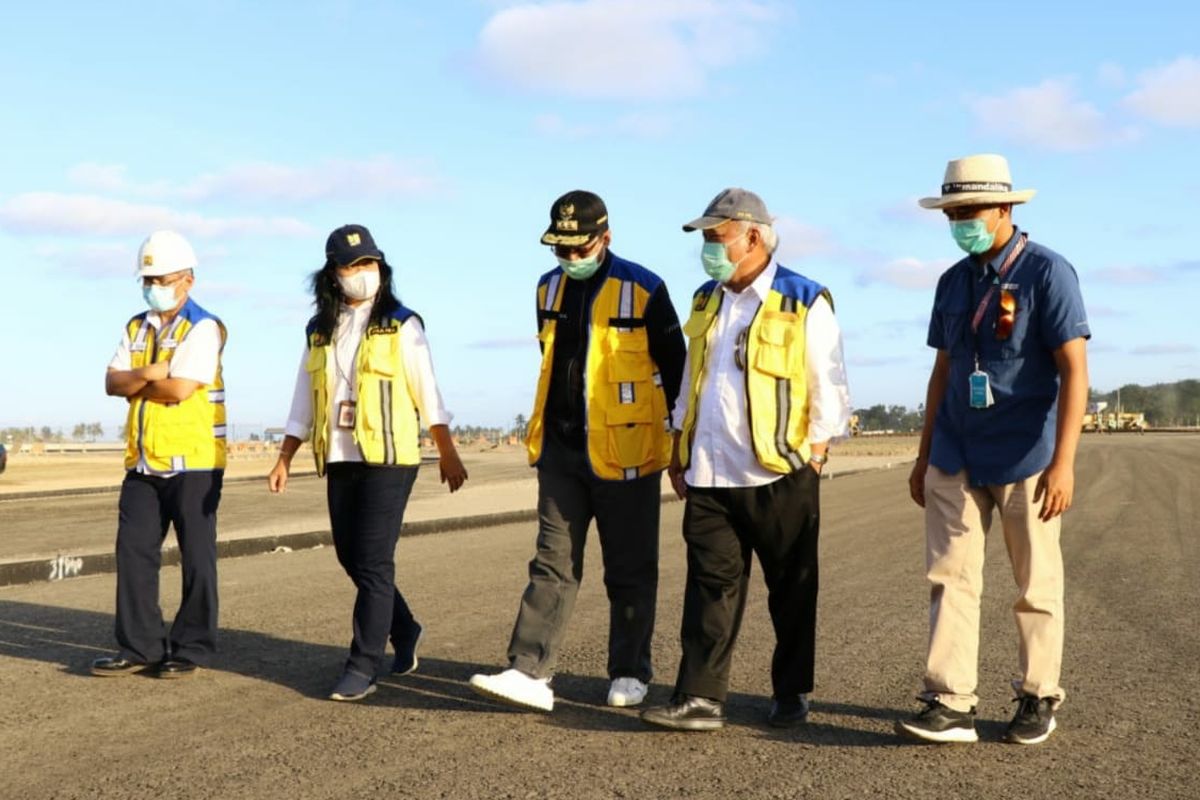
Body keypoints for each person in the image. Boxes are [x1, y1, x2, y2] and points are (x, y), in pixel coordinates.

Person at [896, 154, 1089, 745]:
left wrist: (1064, 462)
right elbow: (942, 370)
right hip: (956, 451)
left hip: (1026, 455)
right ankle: (951, 701)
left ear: (1005, 208)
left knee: (1035, 583)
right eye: (952, 212)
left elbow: (1075, 370)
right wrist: (925, 454)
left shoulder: (1047, 273)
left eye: (970, 210)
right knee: (950, 577)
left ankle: (1037, 696)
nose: (960, 221)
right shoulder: (952, 281)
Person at [640, 188, 851, 732]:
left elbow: (828, 385)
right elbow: (693, 379)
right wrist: (678, 447)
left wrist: (816, 454)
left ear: (752, 236)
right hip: (710, 473)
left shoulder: (804, 298)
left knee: (792, 591)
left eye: (716, 237)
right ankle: (701, 697)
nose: (708, 249)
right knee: (710, 589)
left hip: (779, 472)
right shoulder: (706, 300)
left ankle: (791, 693)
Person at [469, 190, 686, 712]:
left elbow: (678, 373)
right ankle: (529, 671)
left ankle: (631, 671)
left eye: (578, 248)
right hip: (562, 451)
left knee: (630, 569)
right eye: (559, 250)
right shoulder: (546, 289)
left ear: (604, 238)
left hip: (627, 453)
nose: (569, 259)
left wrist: (680, 448)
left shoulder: (645, 288)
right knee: (551, 563)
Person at [267, 223, 467, 702]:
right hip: (339, 457)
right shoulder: (319, 330)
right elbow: (303, 398)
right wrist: (284, 457)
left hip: (390, 458)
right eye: (351, 265)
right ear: (333, 274)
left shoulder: (401, 323)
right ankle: (406, 629)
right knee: (350, 556)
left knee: (375, 561)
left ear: (381, 268)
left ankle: (363, 665)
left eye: (368, 264)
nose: (361, 273)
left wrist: (447, 450)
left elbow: (427, 391)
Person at [92, 230, 227, 679]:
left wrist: (138, 381)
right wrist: (149, 372)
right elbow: (112, 382)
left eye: (161, 277)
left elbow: (180, 388)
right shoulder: (135, 326)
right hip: (144, 463)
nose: (153, 285)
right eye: (146, 277)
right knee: (133, 553)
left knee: (197, 560)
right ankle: (140, 647)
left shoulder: (204, 327)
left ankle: (191, 647)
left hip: (194, 464)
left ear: (187, 280)